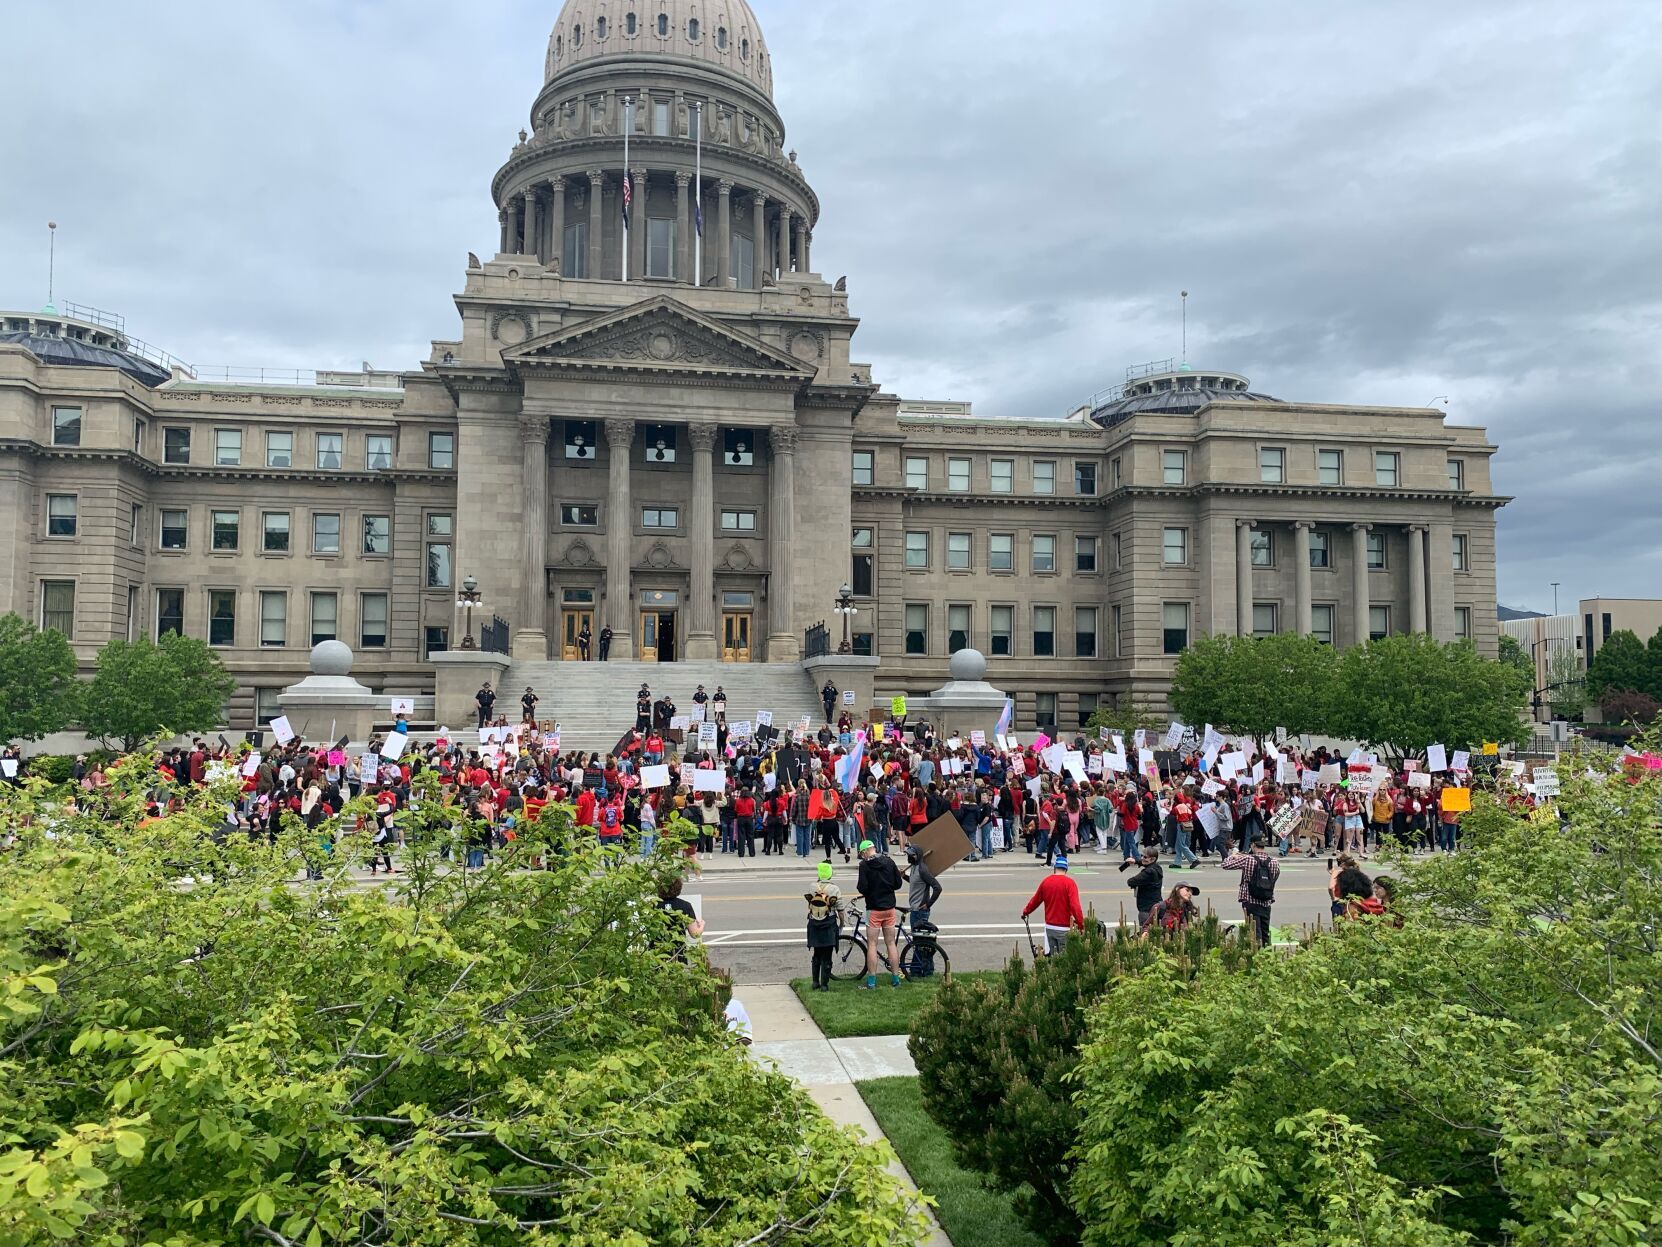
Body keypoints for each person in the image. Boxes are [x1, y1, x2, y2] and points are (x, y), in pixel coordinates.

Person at [854, 839, 904, 989]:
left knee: (872, 944)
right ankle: (895, 978)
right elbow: (898, 884)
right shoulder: (889, 861)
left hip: (874, 909)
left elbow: (862, 888)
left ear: (864, 852)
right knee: (891, 943)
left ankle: (872, 981)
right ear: (874, 848)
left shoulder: (864, 866)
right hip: (889, 908)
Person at [1222, 834, 1280, 945]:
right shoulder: (1274, 862)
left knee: (1254, 932)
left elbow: (1225, 865)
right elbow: (1274, 879)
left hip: (1250, 899)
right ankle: (1267, 954)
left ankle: (1256, 954)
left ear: (1253, 845)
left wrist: (1233, 855)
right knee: (1265, 932)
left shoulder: (1248, 859)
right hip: (1266, 900)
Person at [1021, 856, 1085, 955]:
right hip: (1065, 928)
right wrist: (1081, 925)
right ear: (1066, 869)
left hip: (1050, 927)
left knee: (1054, 958)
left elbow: (1035, 900)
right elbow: (1075, 906)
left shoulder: (1046, 882)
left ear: (1055, 868)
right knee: (1065, 960)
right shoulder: (1070, 883)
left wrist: (1026, 912)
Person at [902, 844, 943, 977]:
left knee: (920, 943)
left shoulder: (923, 870)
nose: (909, 857)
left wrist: (928, 904)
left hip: (920, 911)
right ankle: (917, 969)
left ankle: (923, 970)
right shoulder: (914, 868)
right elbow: (916, 883)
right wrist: (904, 876)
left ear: (917, 856)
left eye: (911, 855)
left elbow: (937, 887)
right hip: (914, 910)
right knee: (918, 942)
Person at [804, 861, 843, 992]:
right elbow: (840, 909)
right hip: (829, 924)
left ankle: (815, 982)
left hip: (814, 924)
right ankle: (824, 985)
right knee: (827, 956)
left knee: (816, 954)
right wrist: (842, 923)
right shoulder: (835, 889)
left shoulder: (811, 887)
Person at [1122, 848, 1164, 928]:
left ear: (1153, 859)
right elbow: (1144, 862)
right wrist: (1135, 861)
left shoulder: (1148, 872)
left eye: (1145, 857)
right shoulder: (1158, 868)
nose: (1142, 858)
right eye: (1142, 856)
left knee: (1145, 931)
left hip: (1147, 908)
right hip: (1156, 904)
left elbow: (1131, 881)